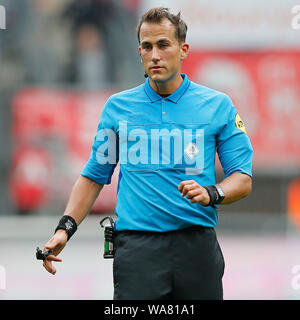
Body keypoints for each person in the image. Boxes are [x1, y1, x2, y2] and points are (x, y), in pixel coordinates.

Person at [41, 7, 253, 300]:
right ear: (139, 51)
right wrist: (64, 229)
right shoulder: (117, 108)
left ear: (183, 49)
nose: (155, 54)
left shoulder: (218, 106)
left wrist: (212, 193)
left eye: (164, 45)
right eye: (147, 46)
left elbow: (242, 178)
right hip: (138, 251)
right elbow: (93, 177)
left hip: (197, 249)